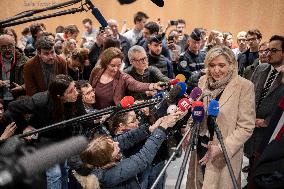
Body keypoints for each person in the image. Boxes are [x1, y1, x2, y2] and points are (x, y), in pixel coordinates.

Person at [186, 45, 255, 189]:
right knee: (198, 182)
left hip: (224, 152)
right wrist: (188, 131)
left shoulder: (244, 86)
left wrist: (223, 148)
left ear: (231, 65)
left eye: (221, 65)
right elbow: (196, 109)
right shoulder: (203, 80)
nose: (216, 70)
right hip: (200, 145)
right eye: (212, 65)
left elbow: (246, 127)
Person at [4, 74, 80, 189]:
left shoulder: (74, 97)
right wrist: (24, 126)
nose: (76, 92)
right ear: (60, 96)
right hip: (45, 138)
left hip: (62, 137)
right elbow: (12, 107)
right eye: (71, 91)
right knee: (54, 174)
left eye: (75, 87)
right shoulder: (40, 100)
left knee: (64, 169)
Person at [74, 111, 186, 189]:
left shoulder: (97, 159)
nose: (117, 143)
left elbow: (123, 139)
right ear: (108, 158)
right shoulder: (109, 176)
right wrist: (162, 128)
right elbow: (142, 158)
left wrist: (149, 129)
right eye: (114, 147)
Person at [244, 35, 284, 187]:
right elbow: (249, 95)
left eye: (274, 50)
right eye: (268, 50)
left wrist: (267, 121)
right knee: (251, 166)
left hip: (271, 132)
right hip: (251, 128)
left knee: (262, 171)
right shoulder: (261, 68)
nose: (268, 54)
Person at [89, 47, 163, 109]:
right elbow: (89, 87)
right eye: (112, 66)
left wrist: (153, 85)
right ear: (105, 63)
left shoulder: (123, 77)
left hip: (112, 116)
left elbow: (136, 85)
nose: (116, 69)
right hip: (93, 113)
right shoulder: (97, 71)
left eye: (119, 65)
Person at [0, 34, 27, 107]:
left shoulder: (25, 62)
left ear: (14, 45)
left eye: (10, 46)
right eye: (4, 47)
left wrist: (22, 87)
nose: (8, 49)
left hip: (19, 101)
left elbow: (32, 82)